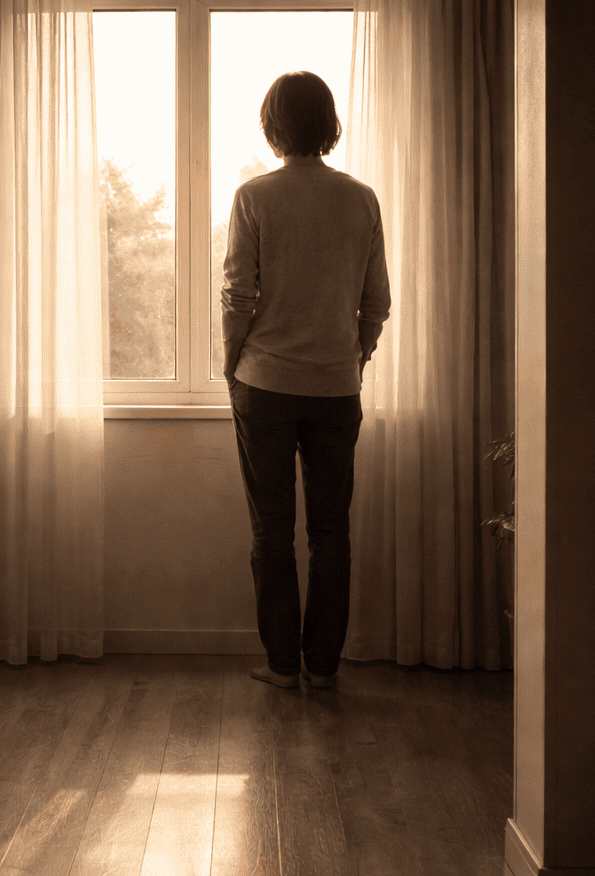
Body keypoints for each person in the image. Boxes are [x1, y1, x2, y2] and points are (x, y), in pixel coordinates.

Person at [220, 70, 390, 692]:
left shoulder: (254, 197)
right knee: (331, 534)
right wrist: (356, 357)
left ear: (272, 124)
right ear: (329, 123)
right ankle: (322, 668)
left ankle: (282, 665)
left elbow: (238, 293)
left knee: (271, 532)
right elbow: (376, 303)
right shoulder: (361, 198)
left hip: (263, 384)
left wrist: (231, 365)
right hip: (336, 388)